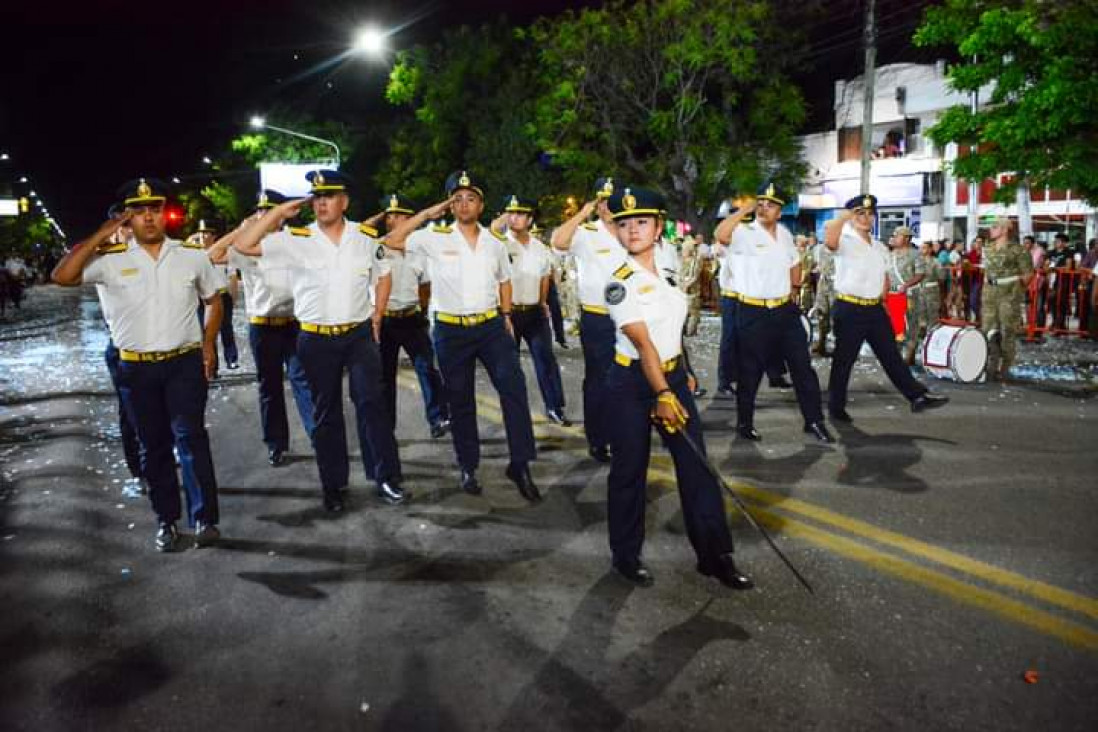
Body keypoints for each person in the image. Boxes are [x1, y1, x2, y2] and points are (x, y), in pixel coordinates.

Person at [52, 178, 224, 552]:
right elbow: (62, 276)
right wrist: (103, 233)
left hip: (183, 364)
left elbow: (214, 299)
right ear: (128, 219)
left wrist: (208, 344)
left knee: (192, 439)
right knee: (154, 445)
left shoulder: (190, 255)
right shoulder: (108, 262)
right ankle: (167, 520)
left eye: (155, 209)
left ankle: (205, 518)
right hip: (136, 369)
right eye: (139, 211)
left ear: (164, 214)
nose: (148, 217)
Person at [601, 185, 752, 590]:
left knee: (696, 467)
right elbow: (644, 343)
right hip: (632, 382)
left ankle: (715, 557)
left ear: (658, 226)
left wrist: (680, 371)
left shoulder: (666, 268)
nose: (633, 230)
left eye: (641, 222)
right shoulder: (617, 282)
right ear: (615, 231)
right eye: (624, 224)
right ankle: (625, 556)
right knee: (630, 472)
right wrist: (663, 394)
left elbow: (668, 331)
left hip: (668, 376)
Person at [231, 170, 405, 513]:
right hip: (314, 338)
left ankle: (386, 476)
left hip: (357, 336)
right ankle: (334, 484)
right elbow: (243, 245)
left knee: (373, 405)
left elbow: (384, 276)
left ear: (344, 201)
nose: (321, 202)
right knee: (326, 414)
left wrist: (377, 314)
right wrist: (278, 214)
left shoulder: (365, 237)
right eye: (316, 197)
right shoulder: (295, 237)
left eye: (329, 196)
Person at [386, 171, 541, 502]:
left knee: (514, 389)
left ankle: (520, 464)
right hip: (450, 330)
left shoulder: (494, 243)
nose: (464, 203)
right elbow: (393, 241)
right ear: (449, 204)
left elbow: (504, 280)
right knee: (460, 399)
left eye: (471, 197)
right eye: (457, 198)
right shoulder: (433, 237)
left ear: (481, 204)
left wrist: (507, 315)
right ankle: (468, 465)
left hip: (490, 327)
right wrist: (428, 213)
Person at [714, 183, 832, 443]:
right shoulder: (744, 232)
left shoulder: (785, 233)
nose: (764, 207)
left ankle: (814, 421)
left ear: (780, 211)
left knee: (802, 367)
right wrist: (744, 208)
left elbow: (794, 262)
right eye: (762, 203)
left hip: (784, 311)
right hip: (753, 310)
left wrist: (793, 288)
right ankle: (745, 423)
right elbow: (721, 234)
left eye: (771, 204)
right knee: (750, 371)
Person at [207, 190, 316, 466]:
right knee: (270, 387)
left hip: (294, 324)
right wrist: (239, 230)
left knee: (303, 380)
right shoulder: (245, 249)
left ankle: (319, 436)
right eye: (259, 212)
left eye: (269, 212)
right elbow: (212, 255)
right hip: (263, 327)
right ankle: (276, 444)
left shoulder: (294, 242)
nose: (263, 216)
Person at [824, 195, 949, 422]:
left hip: (874, 309)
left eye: (869, 213)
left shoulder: (880, 247)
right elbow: (830, 239)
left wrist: (884, 302)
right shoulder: (845, 239)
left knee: (891, 355)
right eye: (860, 213)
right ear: (851, 216)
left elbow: (883, 277)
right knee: (844, 360)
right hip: (850, 307)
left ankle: (917, 396)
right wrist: (845, 215)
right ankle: (835, 406)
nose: (865, 218)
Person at [550, 177, 628, 463]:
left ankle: (623, 432)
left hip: (630, 317)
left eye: (612, 200)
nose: (607, 206)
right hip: (598, 318)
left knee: (629, 378)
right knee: (598, 380)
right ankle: (597, 438)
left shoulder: (629, 230)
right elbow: (557, 242)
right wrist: (583, 212)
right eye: (602, 200)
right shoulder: (586, 232)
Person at [374, 193, 451, 439]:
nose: (392, 219)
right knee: (385, 377)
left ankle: (437, 418)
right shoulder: (378, 246)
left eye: (399, 215)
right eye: (390, 215)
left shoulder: (419, 250)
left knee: (427, 368)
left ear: (409, 218)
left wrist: (424, 310)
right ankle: (387, 427)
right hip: (384, 320)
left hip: (411, 317)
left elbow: (425, 285)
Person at [491, 194, 570, 426]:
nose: (515, 218)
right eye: (511, 213)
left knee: (545, 360)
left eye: (520, 214)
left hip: (535, 312)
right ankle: (514, 412)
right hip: (509, 313)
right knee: (509, 367)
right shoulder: (498, 244)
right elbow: (491, 232)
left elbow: (545, 276)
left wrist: (544, 302)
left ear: (530, 219)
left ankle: (555, 407)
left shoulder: (540, 247)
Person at [99, 204, 145, 494]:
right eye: (122, 225)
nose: (127, 231)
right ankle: (138, 470)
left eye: (131, 224)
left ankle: (155, 455)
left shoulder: (152, 256)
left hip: (158, 345)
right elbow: (65, 272)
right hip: (123, 348)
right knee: (130, 414)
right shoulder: (103, 259)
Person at [980, 215, 1034, 381]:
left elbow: (1028, 275)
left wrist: (1015, 291)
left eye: (995, 226)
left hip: (1009, 294)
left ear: (1004, 229)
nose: (991, 229)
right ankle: (990, 365)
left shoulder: (1018, 250)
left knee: (1007, 330)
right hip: (990, 292)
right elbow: (985, 270)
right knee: (988, 330)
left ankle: (1005, 368)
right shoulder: (987, 248)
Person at [195, 220, 240, 369]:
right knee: (207, 331)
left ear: (214, 236)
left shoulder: (223, 253)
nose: (203, 236)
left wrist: (233, 297)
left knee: (226, 328)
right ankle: (212, 365)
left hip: (221, 294)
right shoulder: (193, 253)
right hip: (202, 298)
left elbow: (232, 276)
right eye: (201, 233)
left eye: (206, 233)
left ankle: (231, 358)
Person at [886, 226, 925, 364]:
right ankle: (895, 352)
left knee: (911, 323)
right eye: (894, 235)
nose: (894, 237)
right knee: (896, 324)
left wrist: (906, 285)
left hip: (908, 294)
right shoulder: (890, 255)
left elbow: (920, 274)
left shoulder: (915, 254)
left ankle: (910, 353)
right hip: (892, 294)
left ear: (907, 238)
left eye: (898, 235)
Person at [910, 240, 943, 363]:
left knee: (932, 320)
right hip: (918, 293)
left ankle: (931, 349)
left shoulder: (935, 262)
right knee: (918, 321)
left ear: (930, 249)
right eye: (921, 248)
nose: (921, 250)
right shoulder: (917, 262)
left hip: (931, 292)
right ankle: (917, 350)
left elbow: (942, 277)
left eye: (924, 248)